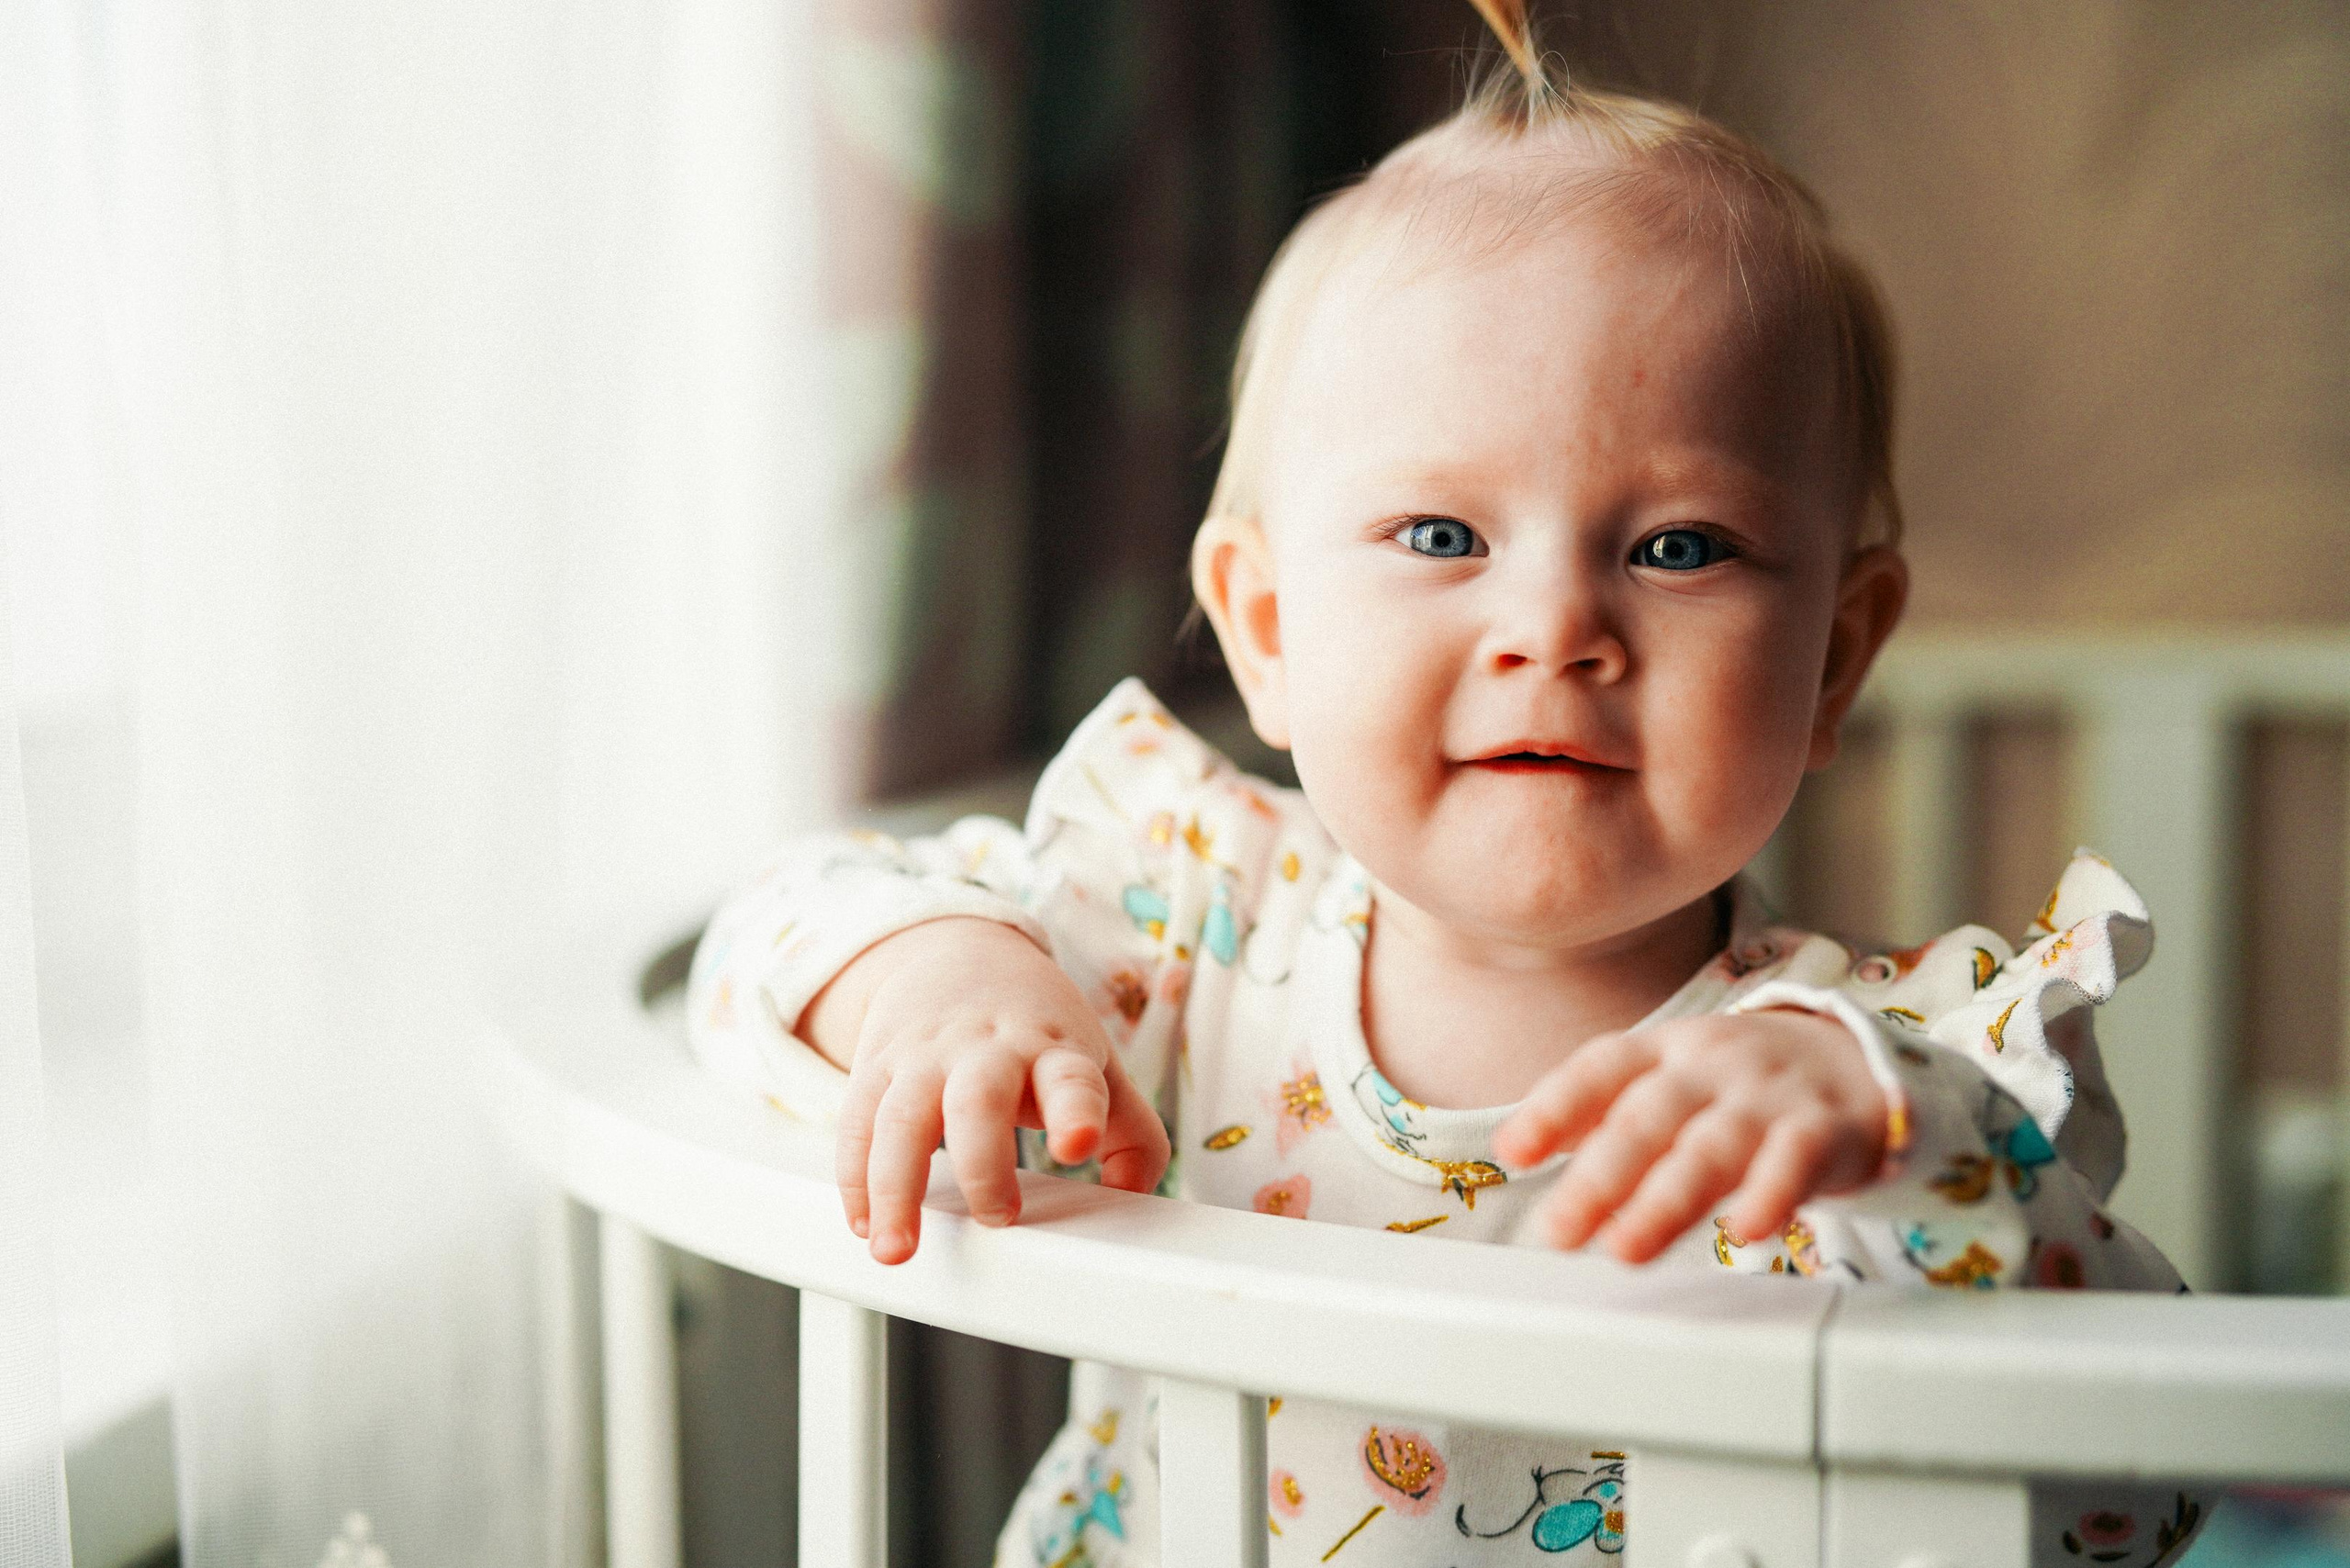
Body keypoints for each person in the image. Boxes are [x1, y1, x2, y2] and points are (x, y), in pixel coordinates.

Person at [688, 12, 2206, 1563]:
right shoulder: (1174, 935)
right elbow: (761, 938)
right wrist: (940, 974)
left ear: (1832, 659)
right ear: (1268, 631)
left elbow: (2138, 1499)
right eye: (1440, 537)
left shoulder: (1863, 1083)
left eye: (1678, 547)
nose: (1553, 629)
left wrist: (1911, 1156)